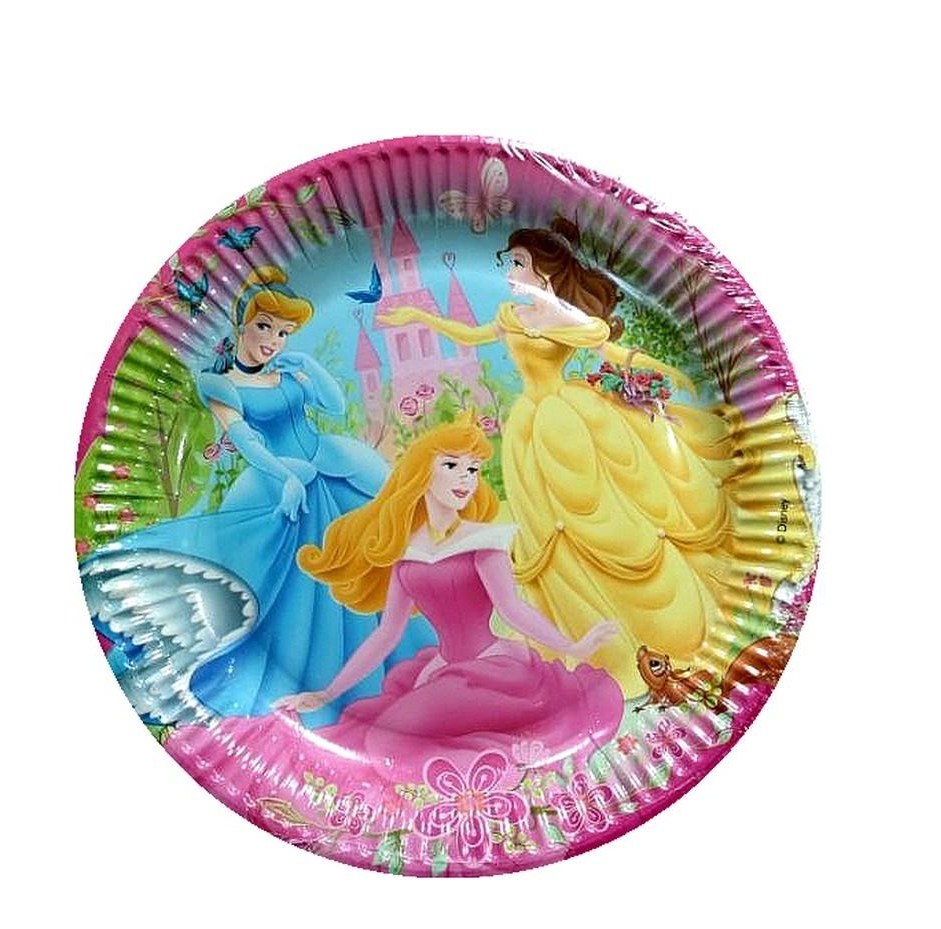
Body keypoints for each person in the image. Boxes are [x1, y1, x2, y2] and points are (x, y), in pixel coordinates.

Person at [378, 220, 768, 696]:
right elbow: (471, 334)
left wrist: (662, 375)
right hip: (529, 427)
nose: (509, 272)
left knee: (597, 513)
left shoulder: (571, 322)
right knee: (550, 527)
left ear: (543, 271)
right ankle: (578, 635)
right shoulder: (511, 315)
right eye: (508, 263)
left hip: (568, 419)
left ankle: (645, 622)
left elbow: (615, 353)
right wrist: (420, 318)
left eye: (517, 263)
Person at [164, 415, 624, 795]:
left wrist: (572, 645)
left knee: (387, 739)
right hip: (443, 670)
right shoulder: (406, 552)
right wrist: (326, 694)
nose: (465, 478)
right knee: (375, 732)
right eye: (452, 466)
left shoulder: (485, 542)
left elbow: (512, 609)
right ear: (423, 472)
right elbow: (387, 635)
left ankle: (498, 768)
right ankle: (490, 760)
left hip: (496, 670)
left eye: (472, 469)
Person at [81, 265, 433, 727]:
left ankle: (398, 678)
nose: (273, 340)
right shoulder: (220, 384)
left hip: (331, 467)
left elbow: (334, 406)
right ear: (242, 322)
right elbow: (245, 440)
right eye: (265, 326)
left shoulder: (286, 374)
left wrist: (308, 368)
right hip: (278, 478)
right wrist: (285, 477)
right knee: (296, 588)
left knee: (374, 562)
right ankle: (318, 688)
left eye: (283, 332)